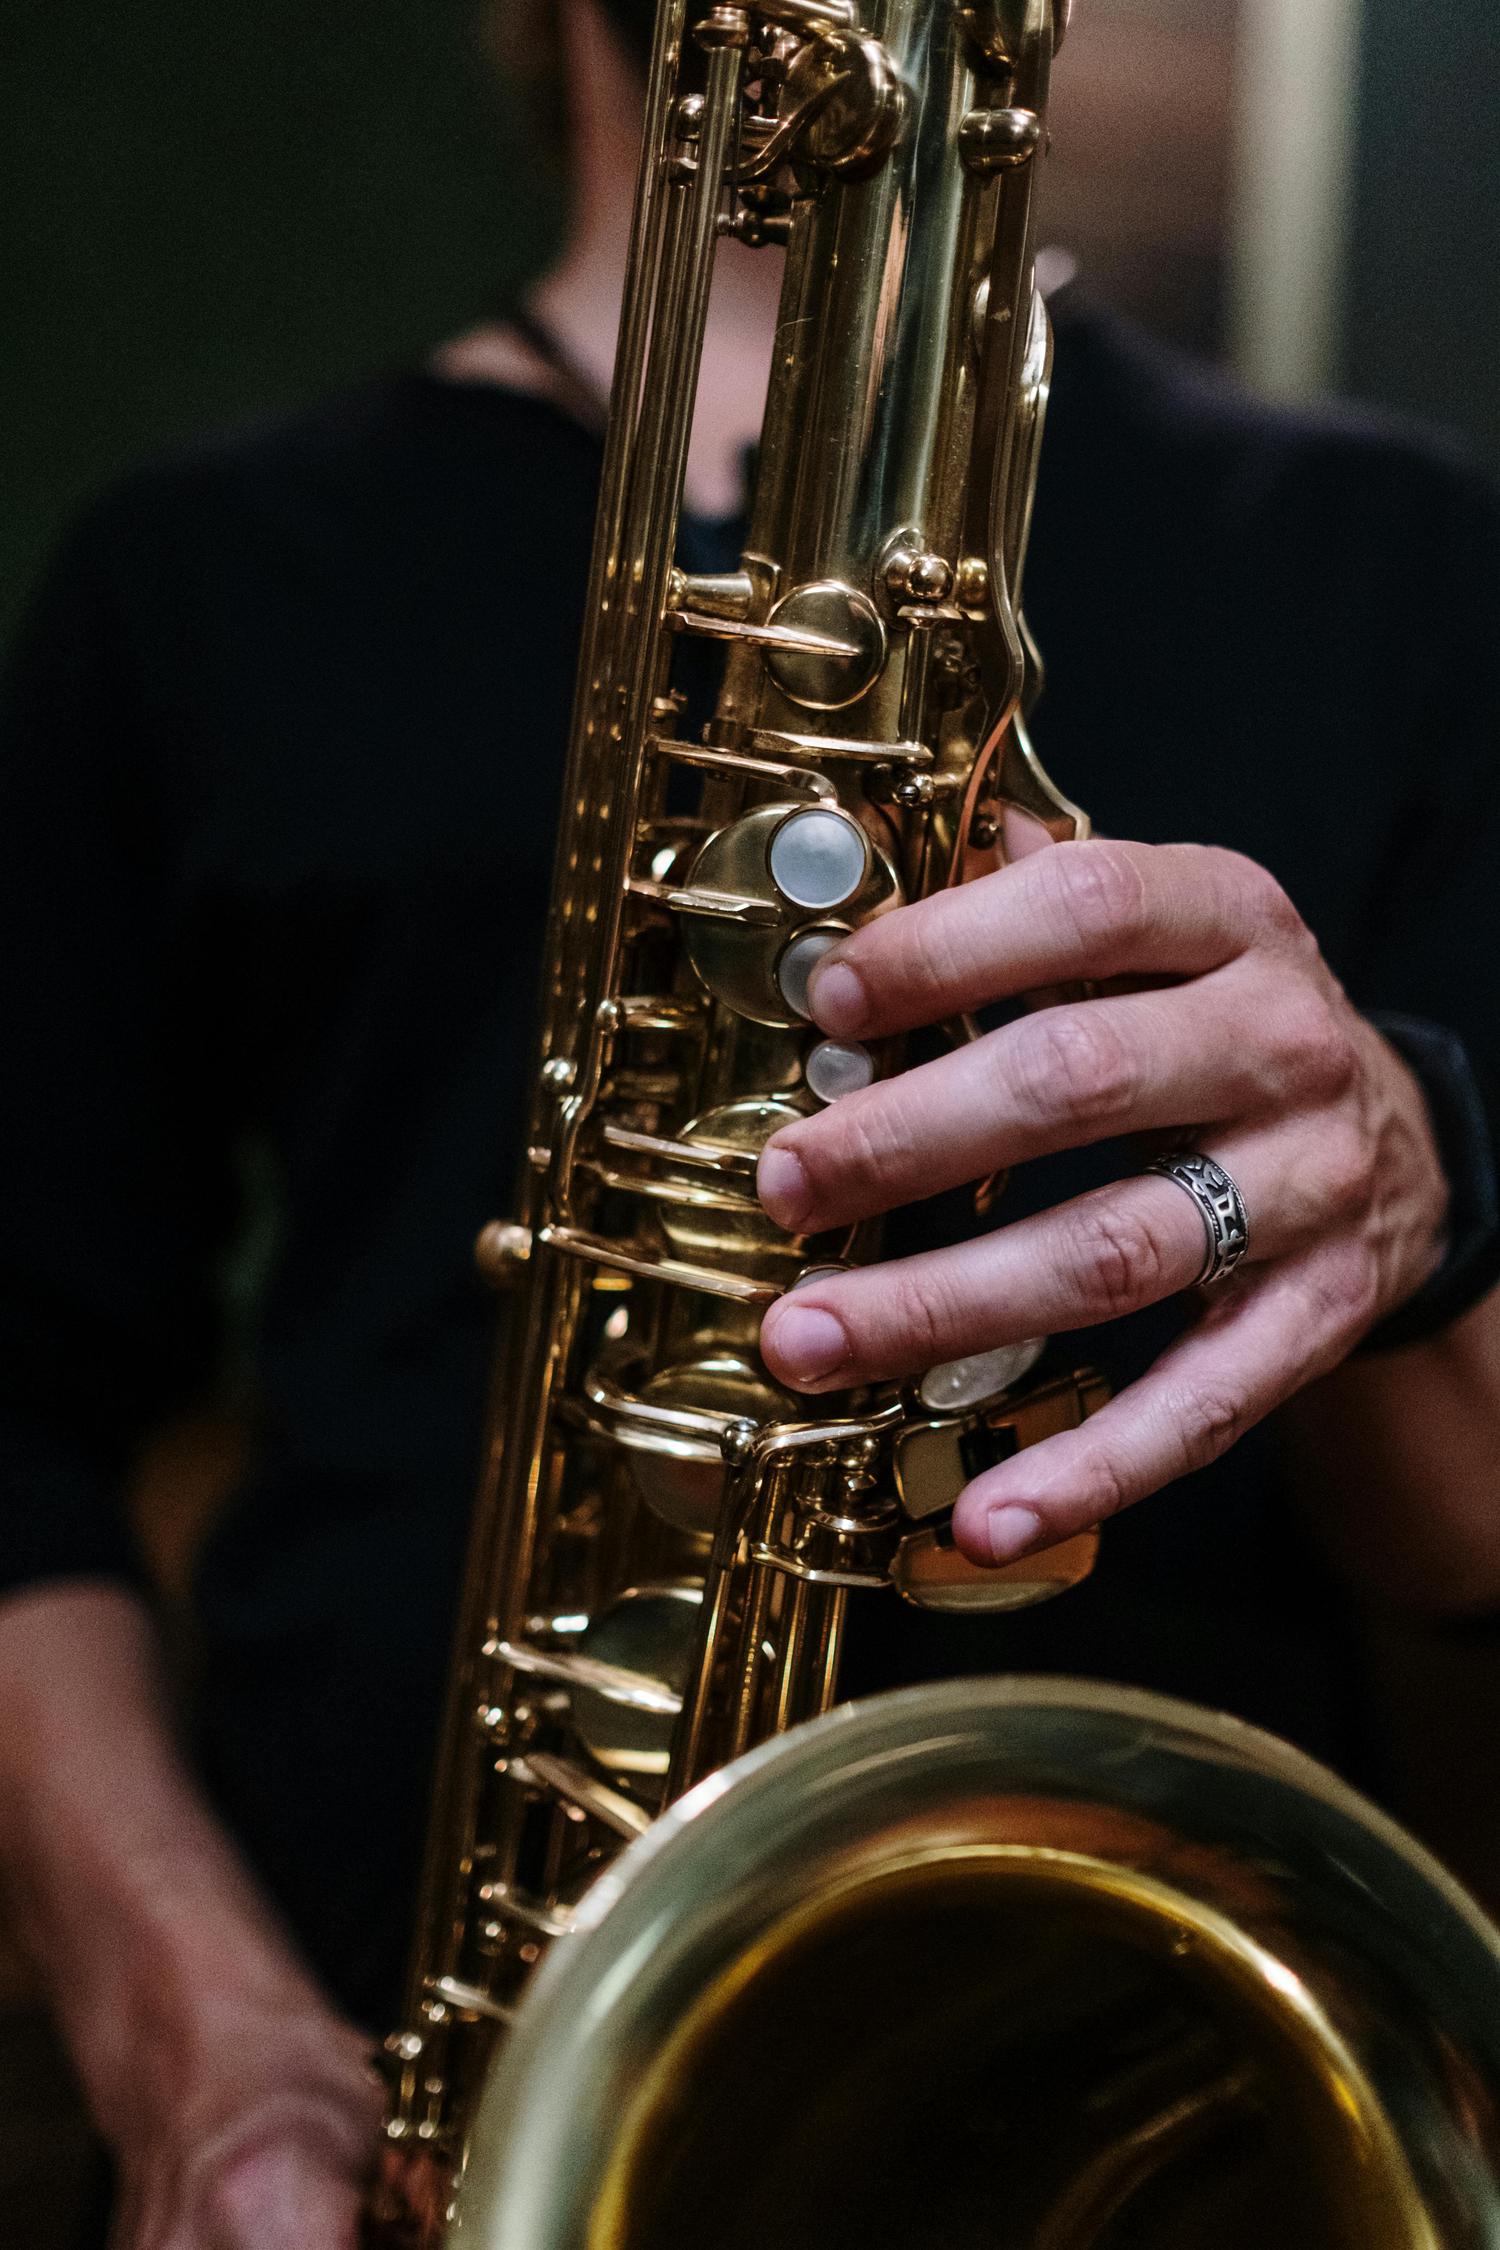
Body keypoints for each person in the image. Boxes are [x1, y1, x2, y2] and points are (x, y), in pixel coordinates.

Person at [2, 1, 1499, 2244]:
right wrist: (189, 2031)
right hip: (400, 2080)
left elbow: (1464, 1540)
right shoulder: (192, 575)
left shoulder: (1399, 553)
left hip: (1141, 2109)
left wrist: (1400, 1166)